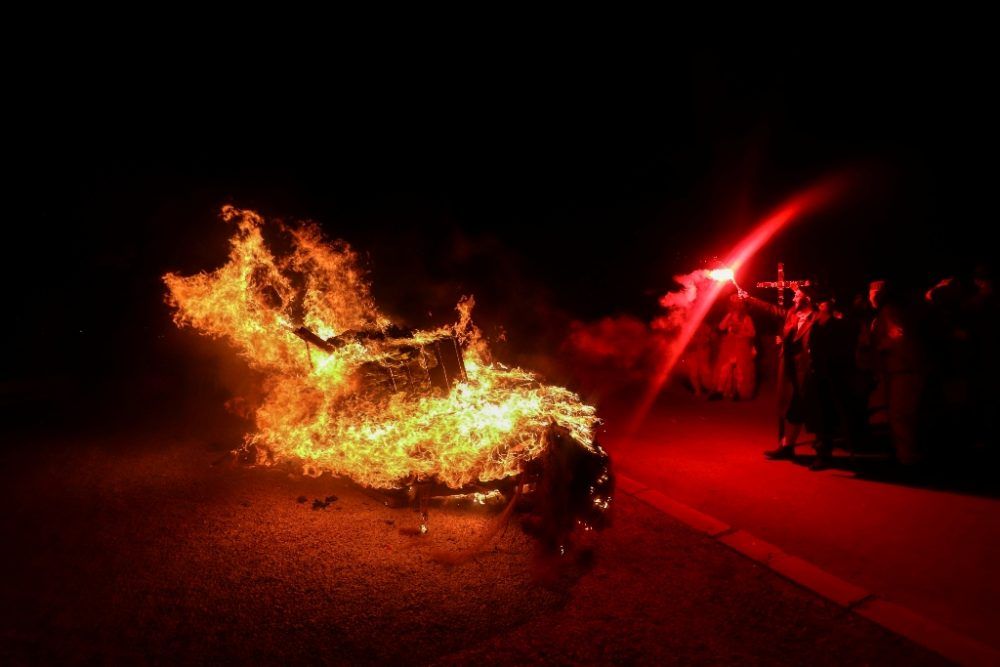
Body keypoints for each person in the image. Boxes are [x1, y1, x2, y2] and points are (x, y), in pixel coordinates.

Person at [744, 286, 816, 460]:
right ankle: (786, 446)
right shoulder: (792, 313)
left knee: (808, 408)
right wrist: (749, 298)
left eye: (797, 296)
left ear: (807, 299)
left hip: (807, 370)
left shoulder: (816, 318)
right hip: (789, 368)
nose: (793, 299)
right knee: (788, 406)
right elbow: (771, 309)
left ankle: (820, 451)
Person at [713, 295, 757, 400]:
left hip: (741, 345)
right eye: (733, 304)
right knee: (724, 368)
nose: (735, 306)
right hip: (729, 344)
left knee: (740, 370)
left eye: (738, 303)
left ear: (742, 306)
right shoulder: (730, 315)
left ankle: (739, 392)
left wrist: (740, 332)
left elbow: (752, 333)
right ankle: (720, 391)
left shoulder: (746, 318)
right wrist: (728, 316)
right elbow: (721, 327)